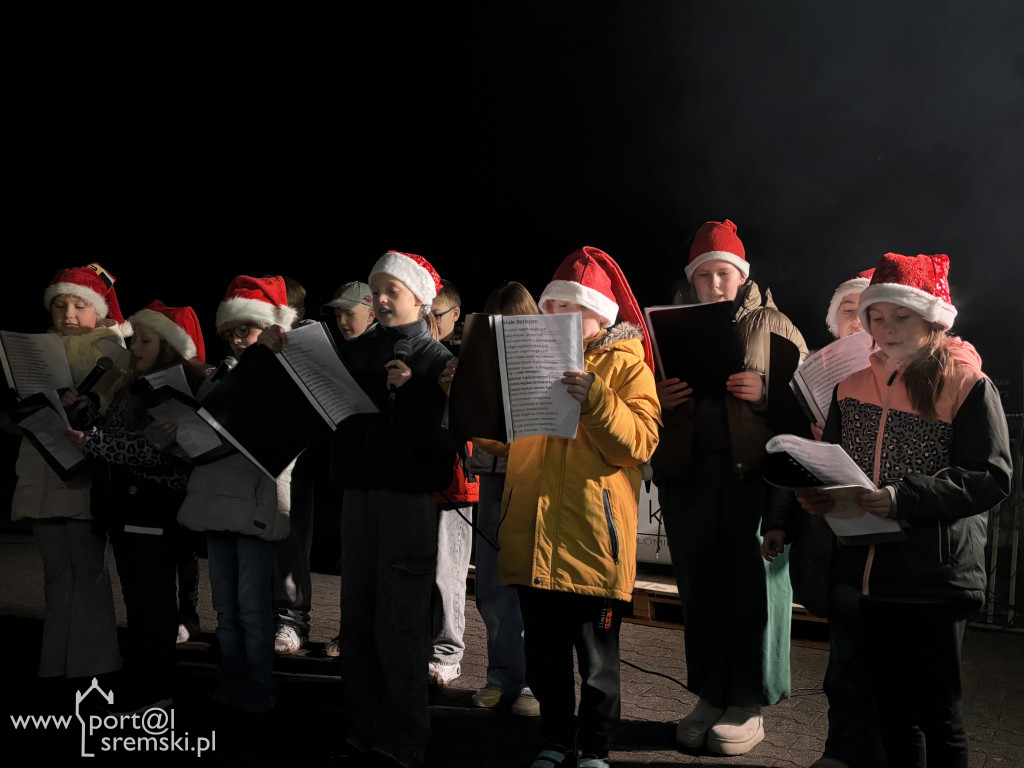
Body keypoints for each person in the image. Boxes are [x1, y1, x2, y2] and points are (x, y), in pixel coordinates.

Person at [791, 253, 1011, 768]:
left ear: (932, 319)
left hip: (935, 574)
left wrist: (900, 498)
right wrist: (821, 495)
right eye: (876, 316)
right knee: (892, 711)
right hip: (869, 572)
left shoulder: (966, 383)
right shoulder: (850, 382)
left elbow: (990, 476)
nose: (886, 328)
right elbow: (839, 462)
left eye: (901, 316)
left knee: (938, 712)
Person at [497, 247, 660, 768]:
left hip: (593, 542)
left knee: (597, 664)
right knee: (544, 657)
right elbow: (501, 437)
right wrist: (465, 388)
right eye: (550, 308)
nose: (556, 317)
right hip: (533, 534)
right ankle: (553, 739)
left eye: (570, 309)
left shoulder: (627, 364)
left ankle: (595, 748)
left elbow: (639, 444)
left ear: (600, 316)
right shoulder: (530, 358)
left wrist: (596, 399)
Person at [650, 219, 808, 756]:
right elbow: (639, 403)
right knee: (701, 588)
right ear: (690, 278)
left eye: (725, 273)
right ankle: (711, 694)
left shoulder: (775, 324)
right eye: (704, 275)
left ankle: (748, 701)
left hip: (753, 478)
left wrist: (765, 393)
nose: (715, 284)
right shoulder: (665, 327)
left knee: (753, 589)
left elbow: (809, 405)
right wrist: (659, 398)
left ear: (742, 276)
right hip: (689, 476)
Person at [329, 250, 458, 768]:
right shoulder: (357, 351)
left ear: (420, 299)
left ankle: (401, 741)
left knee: (400, 623)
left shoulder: (437, 359)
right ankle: (361, 729)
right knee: (357, 619)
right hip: (358, 497)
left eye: (392, 291)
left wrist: (415, 393)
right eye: (376, 290)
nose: (380, 300)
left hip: (406, 502)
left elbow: (446, 441)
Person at [72, 299, 209, 712]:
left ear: (168, 346)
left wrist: (91, 443)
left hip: (154, 507)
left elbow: (151, 450)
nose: (134, 347)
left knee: (153, 602)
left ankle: (156, 690)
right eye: (135, 340)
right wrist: (87, 417)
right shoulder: (133, 384)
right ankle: (144, 684)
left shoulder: (174, 390)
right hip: (126, 507)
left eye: (144, 341)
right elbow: (119, 435)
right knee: (137, 599)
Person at [177, 275, 296, 716]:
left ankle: (259, 689)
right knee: (225, 608)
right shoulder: (222, 374)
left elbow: (284, 435)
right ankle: (230, 683)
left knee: (251, 608)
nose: (236, 339)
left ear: (270, 328)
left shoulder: (287, 373)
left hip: (255, 499)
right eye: (229, 333)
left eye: (246, 329)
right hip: (214, 498)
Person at [10, 263, 127, 693]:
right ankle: (55, 664)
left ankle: (93, 666)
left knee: (87, 572)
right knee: (56, 574)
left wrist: (85, 406)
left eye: (80, 305)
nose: (69, 314)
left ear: (98, 310)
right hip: (39, 472)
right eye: (60, 305)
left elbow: (117, 415)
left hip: (80, 475)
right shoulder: (34, 352)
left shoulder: (113, 353)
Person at [466, 281, 541, 718]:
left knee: (529, 585)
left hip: (531, 481)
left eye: (512, 323)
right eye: (495, 322)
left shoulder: (545, 362)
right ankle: (500, 676)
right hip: (492, 481)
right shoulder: (479, 360)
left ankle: (534, 682)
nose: (504, 331)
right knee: (492, 587)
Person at [316, 279, 379, 659]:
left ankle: (364, 638)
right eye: (337, 313)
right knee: (354, 560)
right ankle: (351, 634)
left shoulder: (382, 349)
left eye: (348, 313)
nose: (341, 320)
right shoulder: (341, 350)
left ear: (372, 312)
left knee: (372, 561)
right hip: (351, 472)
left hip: (377, 474)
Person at [427, 277, 476, 687]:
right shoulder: (415, 353)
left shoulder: (468, 355)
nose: (428, 322)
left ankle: (447, 653)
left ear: (456, 315)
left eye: (436, 314)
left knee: (448, 570)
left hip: (456, 480)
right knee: (422, 567)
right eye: (422, 313)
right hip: (421, 477)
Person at [273, 275, 321, 656]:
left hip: (299, 462)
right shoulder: (258, 340)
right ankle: (265, 615)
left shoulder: (308, 342)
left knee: (292, 542)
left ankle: (292, 621)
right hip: (263, 460)